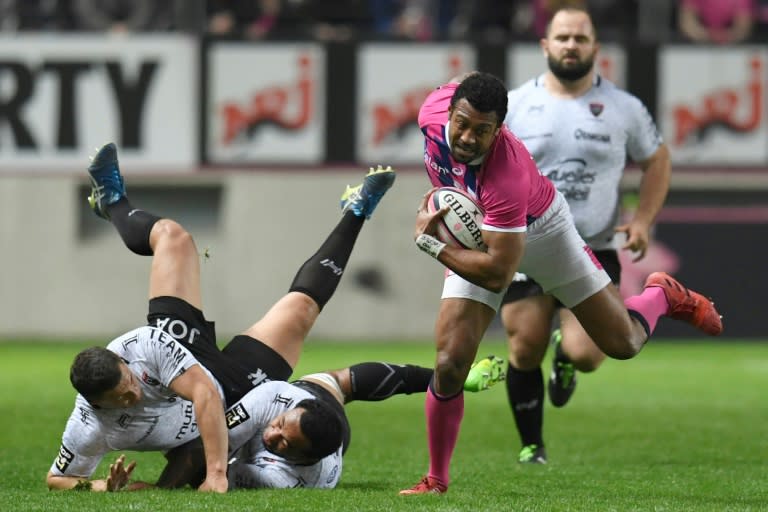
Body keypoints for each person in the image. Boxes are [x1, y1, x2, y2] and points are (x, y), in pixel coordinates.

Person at [400, 68, 722, 494]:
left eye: (482, 131)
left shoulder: (506, 175)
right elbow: (467, 79)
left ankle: (660, 295)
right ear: (450, 110)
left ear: (499, 130)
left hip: (542, 231)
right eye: (462, 124)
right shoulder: (432, 110)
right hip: (482, 235)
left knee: (622, 344)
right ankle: (436, 479)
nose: (466, 138)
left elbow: (498, 272)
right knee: (449, 362)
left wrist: (435, 247)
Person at [47, 141, 396, 492]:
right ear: (95, 405)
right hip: (232, 397)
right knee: (301, 309)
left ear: (123, 362)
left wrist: (216, 475)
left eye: (130, 382)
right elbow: (57, 479)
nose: (134, 395)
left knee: (174, 237)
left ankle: (112, 201)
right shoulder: (88, 425)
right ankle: (355, 212)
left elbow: (204, 393)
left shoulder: (143, 346)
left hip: (188, 360)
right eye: (122, 399)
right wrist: (101, 488)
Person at [498, 6, 672, 465]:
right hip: (531, 246)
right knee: (523, 343)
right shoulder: (515, 106)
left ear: (595, 47)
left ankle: (566, 357)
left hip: (592, 247)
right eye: (563, 38)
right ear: (545, 46)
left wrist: (643, 220)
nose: (571, 45)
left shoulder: (624, 108)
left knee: (589, 355)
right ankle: (532, 445)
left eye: (580, 38)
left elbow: (657, 159)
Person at [105, 356, 506, 490]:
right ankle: (454, 378)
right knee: (340, 381)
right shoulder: (275, 399)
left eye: (281, 443)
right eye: (281, 425)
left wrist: (156, 488)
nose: (272, 433)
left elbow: (216, 475)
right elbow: (212, 440)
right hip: (314, 396)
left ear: (300, 458)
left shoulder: (288, 478)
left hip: (335, 436)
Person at [677, 0, 754, 44]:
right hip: (697, 46)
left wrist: (727, 36)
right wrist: (707, 35)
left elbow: (743, 27)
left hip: (733, 48)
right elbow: (687, 22)